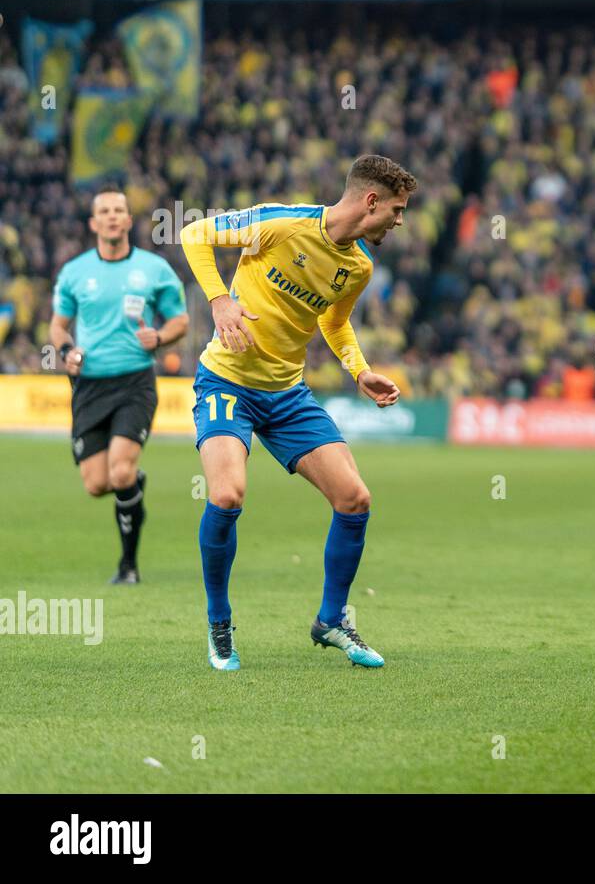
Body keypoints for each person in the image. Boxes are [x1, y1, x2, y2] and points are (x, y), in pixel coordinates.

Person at [179, 154, 413, 671]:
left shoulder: (358, 267)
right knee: (226, 493)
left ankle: (332, 620)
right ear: (370, 201)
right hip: (227, 382)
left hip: (287, 395)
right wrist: (219, 300)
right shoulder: (280, 223)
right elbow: (194, 234)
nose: (400, 221)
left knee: (354, 498)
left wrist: (359, 370)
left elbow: (334, 322)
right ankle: (219, 622)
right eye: (397, 210)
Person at [50, 189, 190, 584]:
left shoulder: (154, 269)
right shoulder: (75, 272)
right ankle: (132, 485)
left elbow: (179, 320)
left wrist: (160, 338)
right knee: (98, 484)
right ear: (94, 224)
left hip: (135, 383)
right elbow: (58, 325)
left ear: (129, 221)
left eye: (119, 211)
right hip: (89, 386)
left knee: (122, 472)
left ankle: (128, 567)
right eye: (104, 212)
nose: (113, 217)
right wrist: (66, 350)